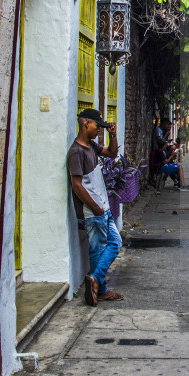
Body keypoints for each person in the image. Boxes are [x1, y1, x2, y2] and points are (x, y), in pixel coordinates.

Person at [67, 108, 123, 305]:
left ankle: (96, 280)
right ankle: (100, 288)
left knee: (115, 243)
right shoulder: (76, 152)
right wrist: (95, 208)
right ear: (85, 124)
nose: (99, 129)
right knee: (97, 250)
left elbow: (112, 153)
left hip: (103, 208)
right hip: (93, 211)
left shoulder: (90, 146)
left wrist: (113, 135)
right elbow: (76, 185)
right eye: (97, 126)